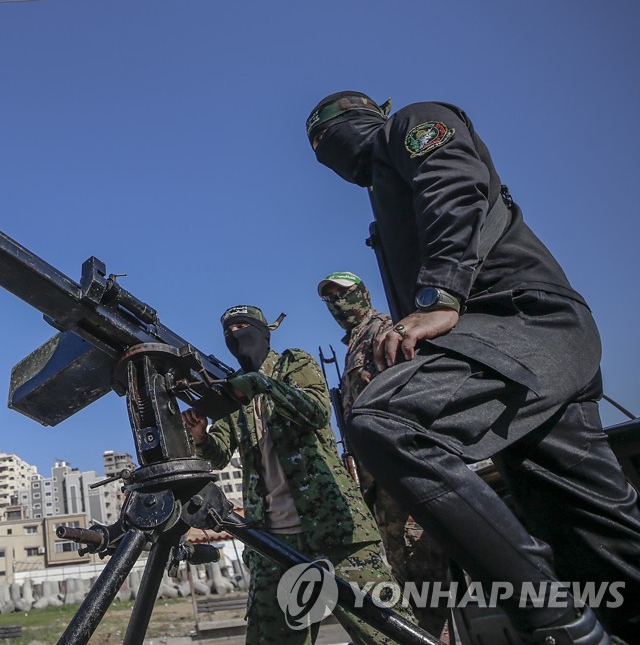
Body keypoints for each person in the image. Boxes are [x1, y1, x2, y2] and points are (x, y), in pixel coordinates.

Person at [307, 92, 640, 644]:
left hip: (525, 323)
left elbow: (452, 181)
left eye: (325, 137)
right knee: (588, 528)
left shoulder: (413, 124)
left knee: (384, 418)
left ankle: (558, 626)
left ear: (357, 120)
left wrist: (440, 294)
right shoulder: (383, 203)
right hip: (513, 351)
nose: (326, 153)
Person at [182, 304, 410, 645]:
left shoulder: (294, 363)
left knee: (385, 631)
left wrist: (262, 385)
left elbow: (316, 412)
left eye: (242, 326)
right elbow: (218, 454)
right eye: (228, 330)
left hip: (335, 530)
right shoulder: (234, 394)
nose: (235, 335)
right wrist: (199, 436)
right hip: (271, 542)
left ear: (262, 331)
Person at [318, 270, 452, 641]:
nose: (337, 305)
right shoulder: (353, 345)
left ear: (362, 293)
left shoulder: (385, 330)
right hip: (378, 478)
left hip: (403, 469)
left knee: (426, 584)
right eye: (329, 299)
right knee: (404, 581)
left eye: (342, 295)